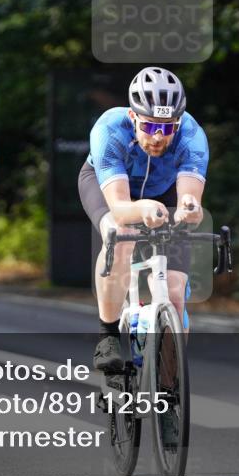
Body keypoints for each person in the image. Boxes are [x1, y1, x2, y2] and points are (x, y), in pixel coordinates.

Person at [78, 66, 208, 374]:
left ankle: (167, 391)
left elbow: (191, 201)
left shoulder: (192, 136)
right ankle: (108, 334)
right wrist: (142, 208)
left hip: (163, 193)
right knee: (118, 234)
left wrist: (189, 208)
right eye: (150, 127)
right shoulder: (110, 129)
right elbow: (122, 207)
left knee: (175, 291)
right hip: (108, 188)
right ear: (134, 117)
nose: (159, 137)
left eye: (168, 127)